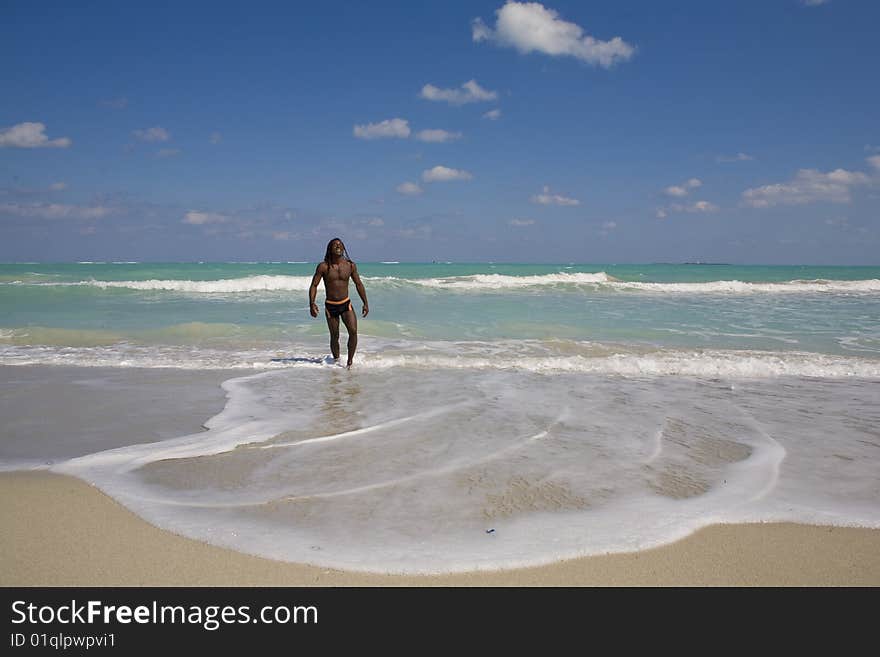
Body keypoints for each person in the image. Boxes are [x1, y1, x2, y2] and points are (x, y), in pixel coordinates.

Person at [308, 238, 369, 368]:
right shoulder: (323, 267)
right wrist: (311, 303)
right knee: (334, 336)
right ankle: (336, 361)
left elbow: (358, 284)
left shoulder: (350, 265)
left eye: (340, 245)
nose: (338, 246)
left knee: (353, 331)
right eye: (335, 245)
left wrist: (365, 303)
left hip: (346, 304)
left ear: (343, 248)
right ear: (330, 249)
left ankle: (349, 362)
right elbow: (314, 285)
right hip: (331, 306)